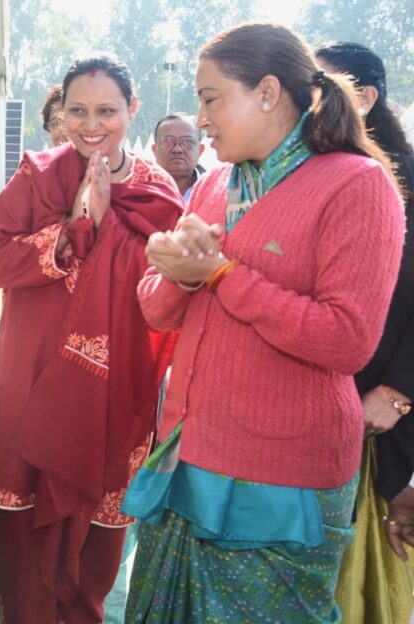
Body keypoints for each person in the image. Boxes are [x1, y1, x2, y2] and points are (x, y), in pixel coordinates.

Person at [124, 23, 404, 622]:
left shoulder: (358, 185)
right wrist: (179, 274)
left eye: (211, 99)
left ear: (269, 93)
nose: (201, 120)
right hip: (188, 454)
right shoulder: (215, 184)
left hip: (282, 477)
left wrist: (223, 275)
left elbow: (347, 340)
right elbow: (155, 309)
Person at [0, 54, 182, 623]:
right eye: (78, 111)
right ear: (60, 112)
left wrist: (110, 227)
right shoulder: (38, 175)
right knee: (19, 555)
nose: (92, 126)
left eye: (107, 111)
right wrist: (70, 230)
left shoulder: (158, 189)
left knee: (92, 559)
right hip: (29, 381)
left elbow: (167, 290)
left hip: (111, 395)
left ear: (132, 109)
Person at [314, 41, 414, 622]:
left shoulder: (404, 181)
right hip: (315, 416)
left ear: (366, 98)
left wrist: (398, 392)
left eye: (318, 89)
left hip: (382, 425)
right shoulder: (306, 176)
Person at [151, 113, 206, 200]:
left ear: (200, 150)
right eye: (168, 141)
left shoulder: (216, 189)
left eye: (186, 142)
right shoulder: (139, 191)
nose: (177, 149)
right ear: (154, 149)